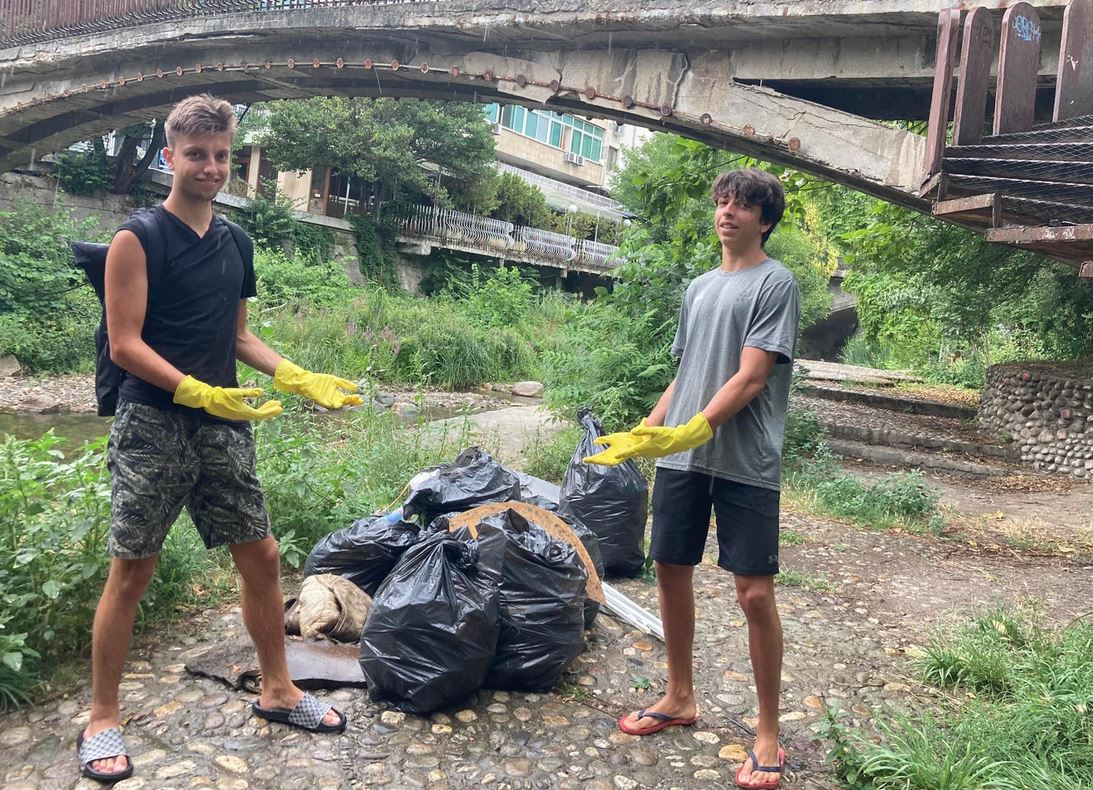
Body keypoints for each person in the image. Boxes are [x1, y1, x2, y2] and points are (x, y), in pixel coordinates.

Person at [76, 94, 364, 784]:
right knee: (133, 569)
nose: (209, 167)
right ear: (170, 157)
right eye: (196, 154)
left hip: (224, 421)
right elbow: (123, 344)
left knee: (261, 556)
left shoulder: (237, 242)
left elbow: (236, 335)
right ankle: (101, 717)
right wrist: (191, 389)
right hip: (153, 420)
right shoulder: (135, 238)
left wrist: (294, 374)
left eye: (221, 155)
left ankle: (277, 690)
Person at [585, 168, 800, 790]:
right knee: (669, 570)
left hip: (744, 461)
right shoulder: (700, 287)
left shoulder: (775, 283)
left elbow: (753, 376)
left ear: (765, 219)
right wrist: (647, 432)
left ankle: (766, 732)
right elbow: (690, 374)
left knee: (754, 594)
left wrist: (694, 429)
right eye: (723, 202)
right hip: (682, 457)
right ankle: (680, 696)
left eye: (743, 205)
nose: (727, 212)